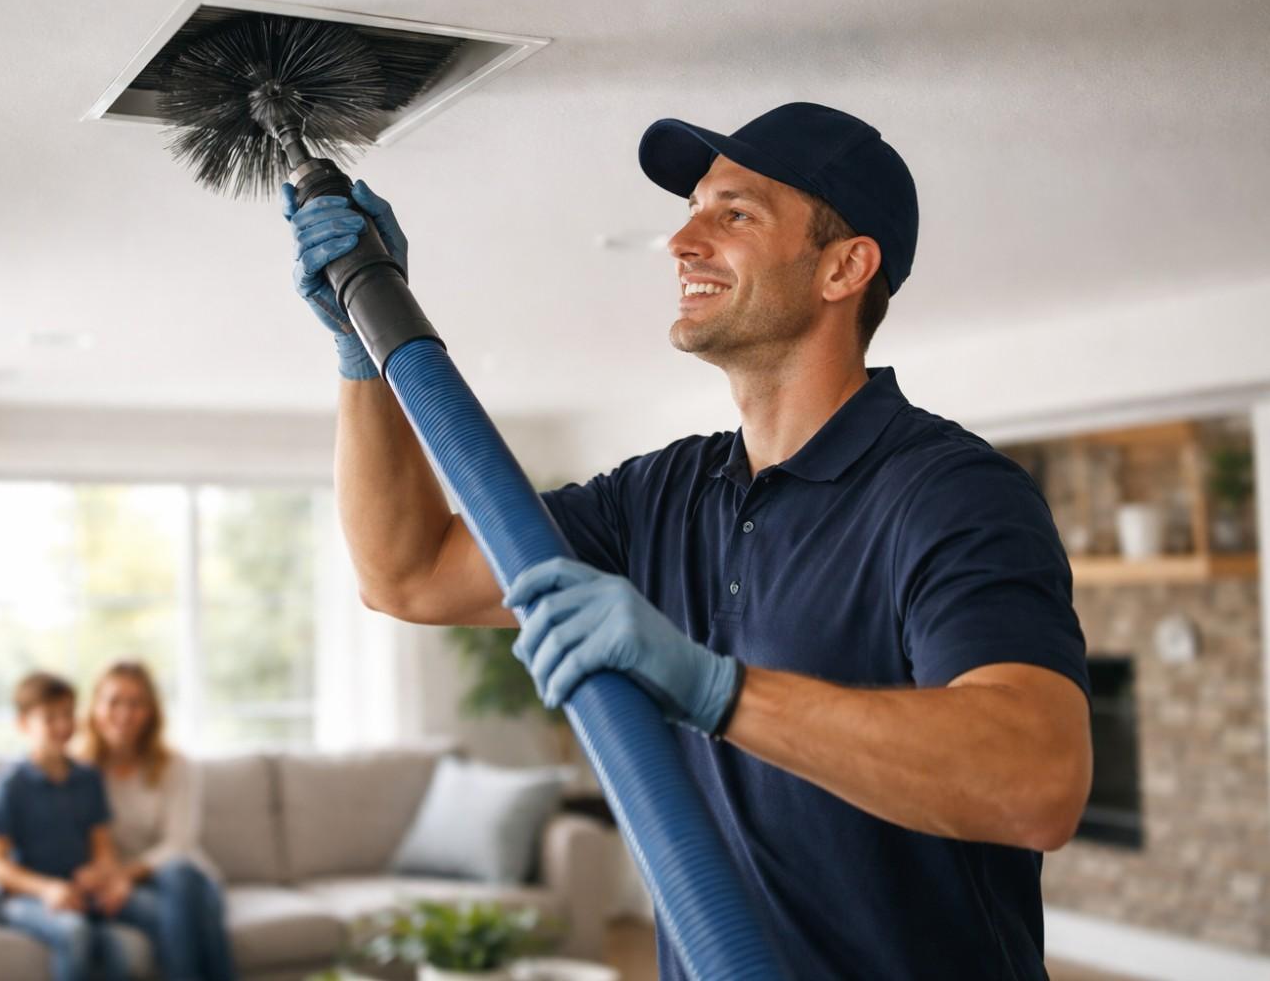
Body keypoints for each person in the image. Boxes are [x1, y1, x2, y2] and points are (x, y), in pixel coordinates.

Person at [281, 102, 1093, 979]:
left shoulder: (948, 494)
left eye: (734, 213)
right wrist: (362, 352)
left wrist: (716, 690)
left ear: (844, 268)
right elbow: (407, 574)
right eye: (694, 208)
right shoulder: (663, 494)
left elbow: (1036, 780)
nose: (681, 241)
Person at [74, 659, 236, 981]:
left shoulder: (176, 766)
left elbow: (179, 844)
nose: (124, 713)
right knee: (191, 919)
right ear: (94, 707)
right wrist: (110, 879)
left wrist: (123, 875)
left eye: (135, 703)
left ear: (151, 712)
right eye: (113, 701)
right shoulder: (79, 772)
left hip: (187, 879)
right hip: (125, 889)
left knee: (178, 878)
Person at [0, 671, 131, 981]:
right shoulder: (11, 785)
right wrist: (47, 889)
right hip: (23, 898)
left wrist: (104, 874)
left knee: (115, 949)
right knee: (75, 932)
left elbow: (102, 847)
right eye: (49, 718)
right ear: (23, 724)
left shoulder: (89, 779)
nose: (62, 726)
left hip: (76, 891)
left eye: (67, 715)